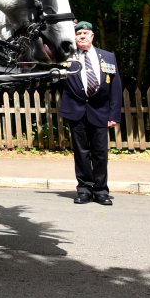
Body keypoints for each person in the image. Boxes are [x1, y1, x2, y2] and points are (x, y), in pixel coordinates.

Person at [58, 20, 123, 205]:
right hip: (76, 112)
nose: (82, 36)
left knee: (100, 153)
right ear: (74, 37)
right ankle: (85, 189)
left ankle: (101, 191)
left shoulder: (107, 57)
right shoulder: (66, 58)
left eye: (86, 34)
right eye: (78, 34)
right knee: (81, 153)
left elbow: (116, 88)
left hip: (101, 112)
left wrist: (114, 115)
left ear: (92, 36)